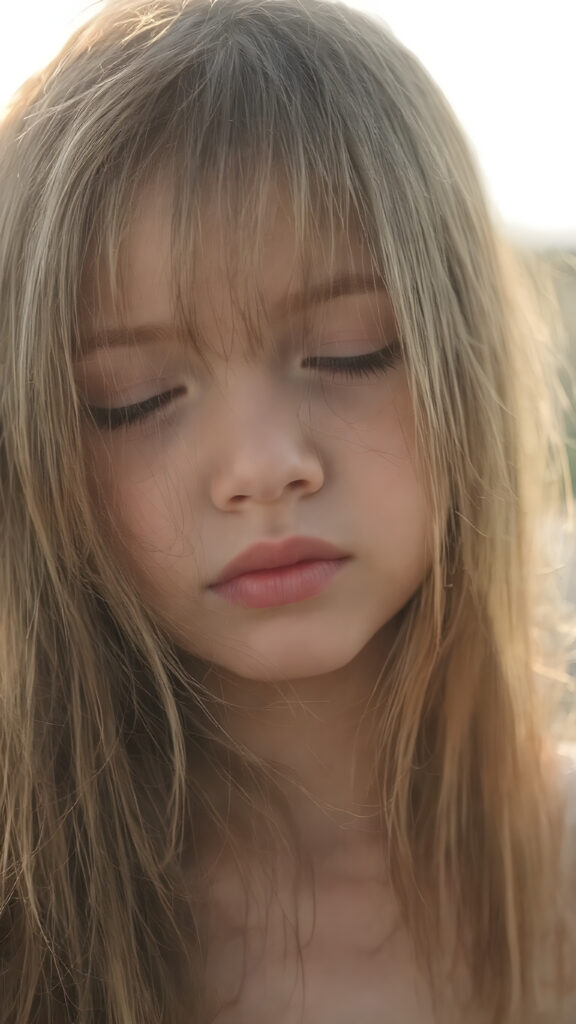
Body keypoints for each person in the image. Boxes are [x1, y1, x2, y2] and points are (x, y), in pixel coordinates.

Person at [0, 0, 574, 1020]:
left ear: (464, 356)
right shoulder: (30, 927)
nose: (264, 469)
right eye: (133, 397)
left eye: (348, 350)